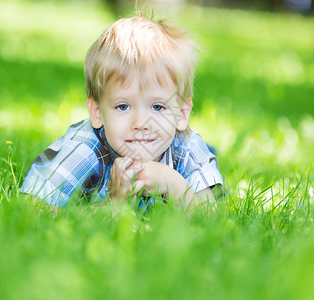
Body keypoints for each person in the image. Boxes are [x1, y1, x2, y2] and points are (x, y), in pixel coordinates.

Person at [21, 16, 224, 210]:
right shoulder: (86, 147)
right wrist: (110, 207)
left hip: (181, 151)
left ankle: (210, 160)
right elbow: (30, 208)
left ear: (181, 114)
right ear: (97, 112)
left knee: (206, 154)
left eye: (157, 107)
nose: (141, 123)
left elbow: (211, 218)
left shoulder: (186, 147)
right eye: (123, 107)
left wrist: (173, 184)